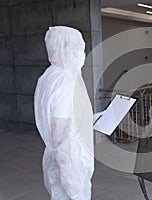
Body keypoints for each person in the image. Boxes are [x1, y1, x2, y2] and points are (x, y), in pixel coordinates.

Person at [34, 26, 94, 200]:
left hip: (55, 156)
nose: (80, 53)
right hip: (69, 159)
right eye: (76, 47)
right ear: (64, 48)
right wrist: (69, 173)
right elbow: (60, 131)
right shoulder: (66, 82)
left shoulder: (48, 76)